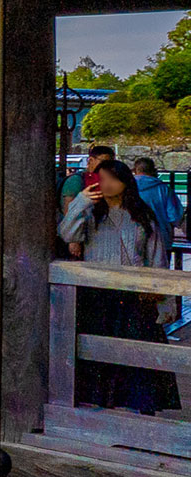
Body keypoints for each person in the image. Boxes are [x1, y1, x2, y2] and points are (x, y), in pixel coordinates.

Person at [59, 159, 180, 415]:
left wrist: (164, 298)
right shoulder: (91, 214)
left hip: (135, 294)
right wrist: (80, 201)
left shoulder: (142, 215)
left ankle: (143, 408)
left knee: (139, 355)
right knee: (98, 352)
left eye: (114, 179)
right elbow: (68, 234)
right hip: (98, 293)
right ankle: (100, 407)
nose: (108, 184)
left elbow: (156, 258)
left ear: (127, 182)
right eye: (102, 179)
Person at [130, 156, 185, 238]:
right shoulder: (164, 189)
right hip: (161, 236)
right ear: (153, 170)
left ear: (135, 170)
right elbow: (174, 216)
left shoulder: (127, 187)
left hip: (132, 236)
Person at [60, 145, 116, 215]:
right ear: (91, 160)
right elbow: (68, 213)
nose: (108, 167)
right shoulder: (76, 181)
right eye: (104, 162)